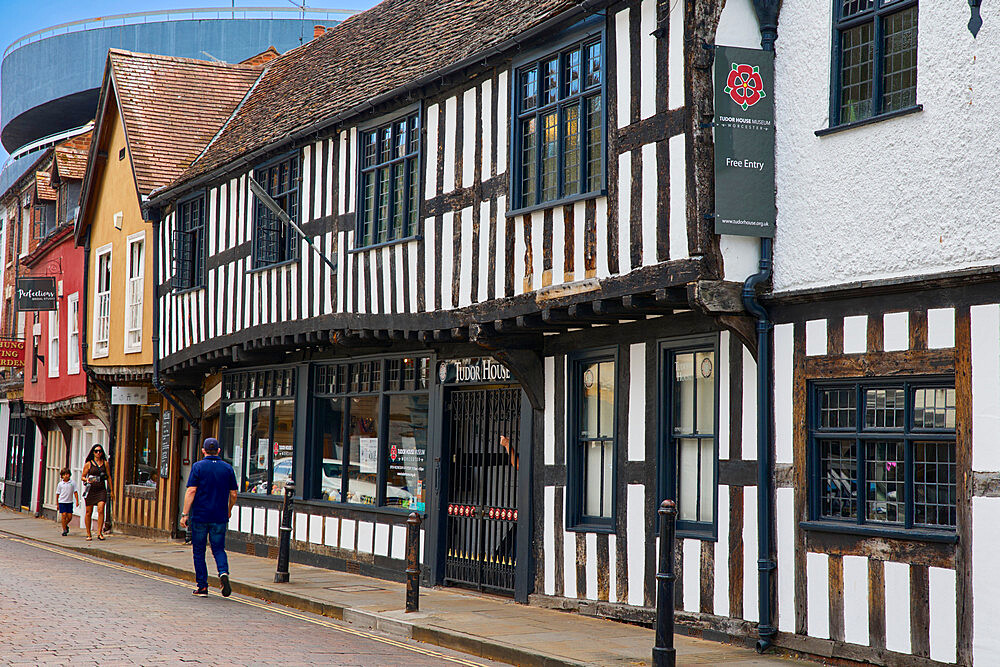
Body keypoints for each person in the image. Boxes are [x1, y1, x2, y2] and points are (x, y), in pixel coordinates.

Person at [180, 437, 238, 598]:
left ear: (203, 451)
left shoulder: (198, 467)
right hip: (219, 516)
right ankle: (223, 572)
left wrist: (184, 514)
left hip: (200, 516)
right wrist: (229, 509)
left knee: (199, 551)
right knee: (218, 548)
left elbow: (191, 491)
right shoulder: (227, 468)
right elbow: (233, 494)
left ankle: (202, 587)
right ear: (218, 451)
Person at [81, 444, 111, 541]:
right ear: (93, 452)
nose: (98, 453)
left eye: (100, 451)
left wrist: (111, 490)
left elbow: (109, 476)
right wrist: (86, 480)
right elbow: (83, 476)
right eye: (96, 451)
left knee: (101, 509)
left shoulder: (105, 463)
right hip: (91, 490)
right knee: (89, 512)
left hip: (101, 489)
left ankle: (99, 533)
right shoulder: (89, 464)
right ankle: (88, 533)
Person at [55, 468, 79, 536]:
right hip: (62, 502)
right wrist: (57, 504)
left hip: (69, 502)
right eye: (64, 474)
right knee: (64, 515)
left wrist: (77, 501)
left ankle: (65, 525)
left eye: (67, 474)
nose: (66, 476)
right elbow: (57, 494)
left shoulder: (72, 483)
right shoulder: (60, 484)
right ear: (62, 476)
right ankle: (64, 530)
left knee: (69, 516)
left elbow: (75, 492)